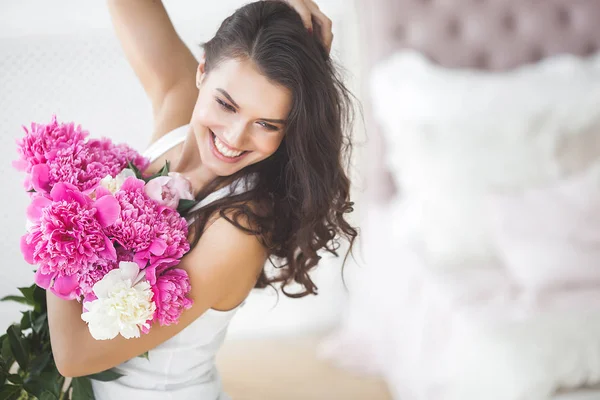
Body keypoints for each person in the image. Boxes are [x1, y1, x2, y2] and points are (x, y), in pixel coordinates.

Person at [46, 0, 357, 398]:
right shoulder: (178, 110)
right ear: (202, 70)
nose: (234, 137)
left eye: (266, 124)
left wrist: (59, 221)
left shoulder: (238, 229)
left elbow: (76, 356)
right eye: (226, 104)